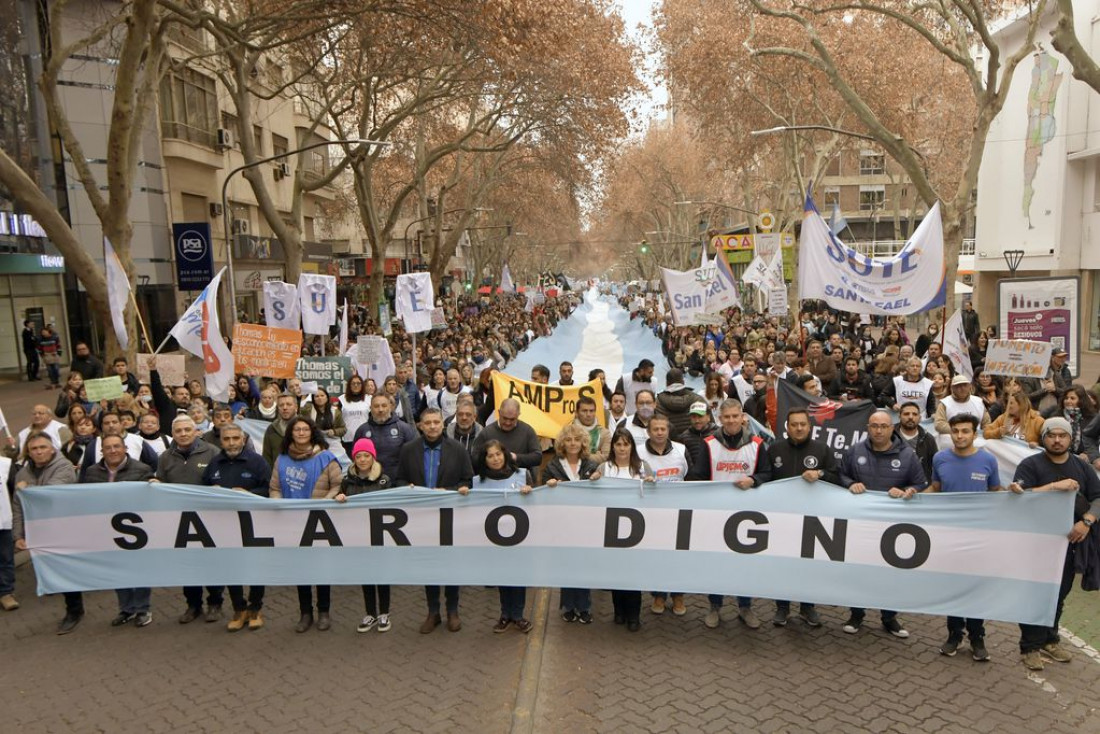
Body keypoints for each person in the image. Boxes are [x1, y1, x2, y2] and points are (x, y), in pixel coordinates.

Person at [1011, 417, 1100, 671]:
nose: (1057, 440)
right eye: (1052, 435)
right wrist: (1053, 486)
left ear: (1071, 439)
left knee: (1059, 594)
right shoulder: (1030, 465)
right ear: (1044, 438)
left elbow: (1097, 496)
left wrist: (1087, 521)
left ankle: (1050, 638)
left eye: (1063, 436)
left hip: (1069, 544)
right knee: (1036, 594)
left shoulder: (1081, 467)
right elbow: (1019, 497)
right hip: (1037, 544)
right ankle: (1030, 646)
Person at [839, 410, 928, 638]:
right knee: (860, 571)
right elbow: (840, 476)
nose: (878, 430)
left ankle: (889, 618)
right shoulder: (854, 451)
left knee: (890, 575)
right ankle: (856, 614)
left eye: (883, 426)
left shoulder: (908, 455)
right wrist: (850, 484)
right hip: (862, 525)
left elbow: (919, 483)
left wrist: (909, 490)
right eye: (874, 426)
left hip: (892, 528)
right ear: (868, 428)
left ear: (892, 428)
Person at [924, 414, 1003, 661]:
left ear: (975, 434)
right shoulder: (940, 458)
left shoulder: (988, 460)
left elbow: (995, 493)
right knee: (954, 587)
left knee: (974, 588)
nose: (959, 436)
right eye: (955, 431)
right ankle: (954, 635)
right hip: (948, 535)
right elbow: (935, 488)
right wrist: (913, 498)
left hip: (979, 537)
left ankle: (977, 637)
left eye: (965, 431)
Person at [687, 399, 770, 630]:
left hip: (747, 516)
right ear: (720, 419)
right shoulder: (709, 444)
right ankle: (715, 606)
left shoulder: (757, 444)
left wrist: (754, 480)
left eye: (735, 416)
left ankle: (745, 606)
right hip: (716, 515)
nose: (732, 421)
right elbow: (698, 475)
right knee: (716, 563)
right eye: (727, 417)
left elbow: (767, 472)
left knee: (745, 564)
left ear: (743, 417)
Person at [395, 408, 474, 634]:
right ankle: (433, 612)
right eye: (427, 423)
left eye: (436, 422)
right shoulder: (409, 450)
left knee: (450, 563)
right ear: (420, 425)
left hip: (449, 515)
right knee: (429, 563)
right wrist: (407, 489)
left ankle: (452, 611)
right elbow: (399, 478)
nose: (432, 426)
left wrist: (446, 491)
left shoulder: (457, 449)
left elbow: (468, 481)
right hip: (421, 517)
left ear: (442, 424)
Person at [766, 408, 838, 627]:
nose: (798, 428)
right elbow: (766, 477)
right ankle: (782, 608)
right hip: (783, 519)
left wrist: (821, 474)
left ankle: (808, 607)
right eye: (794, 424)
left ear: (810, 427)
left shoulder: (822, 450)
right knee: (783, 565)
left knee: (809, 566)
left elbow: (837, 477)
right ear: (787, 427)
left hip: (813, 520)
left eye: (802, 424)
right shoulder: (775, 449)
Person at [270, 416, 343, 632]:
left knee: (320, 568)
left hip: (319, 522)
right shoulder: (282, 459)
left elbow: (337, 485)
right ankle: (305, 613)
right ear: (290, 433)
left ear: (312, 432)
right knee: (300, 569)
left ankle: (323, 612)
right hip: (292, 523)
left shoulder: (326, 457)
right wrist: (279, 504)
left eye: (305, 429)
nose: (301, 433)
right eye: (297, 430)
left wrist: (323, 504)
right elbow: (274, 487)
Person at [201, 423, 271, 631]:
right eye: (226, 439)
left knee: (254, 566)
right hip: (225, 525)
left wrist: (248, 494)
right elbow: (203, 491)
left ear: (243, 439)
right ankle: (238, 609)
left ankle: (255, 608)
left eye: (235, 438)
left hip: (252, 524)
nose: (231, 443)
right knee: (231, 568)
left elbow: (269, 489)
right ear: (221, 441)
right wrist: (211, 492)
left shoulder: (257, 462)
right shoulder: (214, 463)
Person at [155, 414, 222, 624]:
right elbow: (161, 484)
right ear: (173, 434)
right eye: (178, 431)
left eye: (187, 430)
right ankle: (193, 605)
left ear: (196, 431)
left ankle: (215, 603)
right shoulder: (165, 457)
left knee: (211, 564)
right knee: (187, 566)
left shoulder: (212, 452)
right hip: (179, 520)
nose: (183, 434)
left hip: (208, 519)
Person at [83, 433, 155, 628]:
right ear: (102, 451)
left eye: (117, 446)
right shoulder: (91, 473)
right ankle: (126, 609)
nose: (113, 450)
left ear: (125, 448)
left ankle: (142, 609)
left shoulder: (142, 469)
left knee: (139, 569)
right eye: (108, 447)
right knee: (116, 570)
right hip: (107, 529)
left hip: (136, 529)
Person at [9, 432, 78, 619]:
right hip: (40, 532)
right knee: (53, 570)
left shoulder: (64, 466)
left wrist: (27, 489)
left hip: (65, 529)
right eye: (34, 449)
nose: (39, 452)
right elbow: (18, 507)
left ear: (52, 448)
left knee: (68, 571)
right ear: (28, 453)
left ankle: (74, 611)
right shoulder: (23, 474)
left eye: (42, 447)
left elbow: (52, 494)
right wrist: (18, 535)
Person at [473, 440, 535, 634]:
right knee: (501, 576)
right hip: (493, 539)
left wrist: (530, 492)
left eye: (498, 454)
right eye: (490, 456)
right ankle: (505, 614)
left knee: (517, 576)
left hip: (519, 538)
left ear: (505, 454)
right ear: (484, 460)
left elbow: (536, 505)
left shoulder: (523, 475)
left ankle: (518, 615)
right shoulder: (477, 482)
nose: (495, 459)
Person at [544, 423, 602, 625]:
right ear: (562, 443)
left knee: (583, 566)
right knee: (567, 566)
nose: (573, 443)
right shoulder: (552, 466)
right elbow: (543, 497)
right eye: (568, 440)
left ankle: (584, 607)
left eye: (577, 439)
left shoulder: (592, 466)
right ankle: (568, 606)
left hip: (586, 525)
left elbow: (599, 496)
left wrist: (598, 481)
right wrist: (549, 487)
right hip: (563, 525)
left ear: (583, 442)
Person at [335, 439, 394, 635]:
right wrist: (339, 498)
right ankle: (370, 613)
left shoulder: (384, 480)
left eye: (366, 456)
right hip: (358, 535)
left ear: (373, 457)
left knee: (383, 575)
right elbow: (338, 502)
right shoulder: (347, 481)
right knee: (366, 575)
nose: (362, 459)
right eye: (358, 456)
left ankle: (384, 613)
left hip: (380, 534)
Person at [352, 392, 420, 479]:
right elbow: (355, 456)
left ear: (391, 407)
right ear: (370, 408)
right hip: (370, 482)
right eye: (376, 406)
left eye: (384, 406)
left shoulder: (404, 429)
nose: (380, 409)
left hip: (397, 481)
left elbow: (414, 456)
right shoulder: (362, 430)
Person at [470, 398, 543, 478]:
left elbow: (537, 457)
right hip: (492, 481)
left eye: (512, 419)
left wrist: (516, 457)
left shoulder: (527, 431)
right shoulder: (486, 433)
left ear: (518, 415)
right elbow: (474, 459)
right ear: (499, 413)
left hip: (520, 482)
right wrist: (490, 459)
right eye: (504, 418)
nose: (508, 423)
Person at [933, 375, 989, 440]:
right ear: (952, 388)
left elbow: (986, 423)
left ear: (969, 386)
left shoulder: (978, 401)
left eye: (965, 385)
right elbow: (939, 424)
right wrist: (961, 431)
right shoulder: (945, 403)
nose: (962, 388)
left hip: (977, 439)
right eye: (958, 386)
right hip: (952, 439)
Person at [655, 368, 707, 437]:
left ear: (667, 383)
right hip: (695, 442)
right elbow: (710, 426)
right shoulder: (698, 399)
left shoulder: (656, 403)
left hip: (667, 444)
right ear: (683, 381)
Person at [894, 402, 937, 482]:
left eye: (914, 414)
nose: (910, 417)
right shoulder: (889, 435)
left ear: (920, 418)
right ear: (899, 417)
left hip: (919, 486)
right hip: (893, 484)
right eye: (906, 414)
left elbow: (934, 467)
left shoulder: (928, 439)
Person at [262, 393, 301, 467]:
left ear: (296, 407)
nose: (285, 408)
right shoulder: (271, 428)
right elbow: (267, 458)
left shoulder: (306, 427)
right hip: (277, 475)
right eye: (281, 405)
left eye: (288, 404)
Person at [678, 402, 717, 470]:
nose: (697, 420)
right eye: (694, 417)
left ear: (708, 417)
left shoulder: (718, 434)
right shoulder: (684, 437)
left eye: (700, 416)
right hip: (693, 479)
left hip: (715, 476)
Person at [574, 395, 610, 464]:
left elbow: (606, 458)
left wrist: (580, 455)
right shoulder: (568, 432)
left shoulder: (604, 433)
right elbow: (566, 456)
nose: (588, 414)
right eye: (584, 411)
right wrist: (596, 455)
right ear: (576, 413)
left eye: (591, 411)